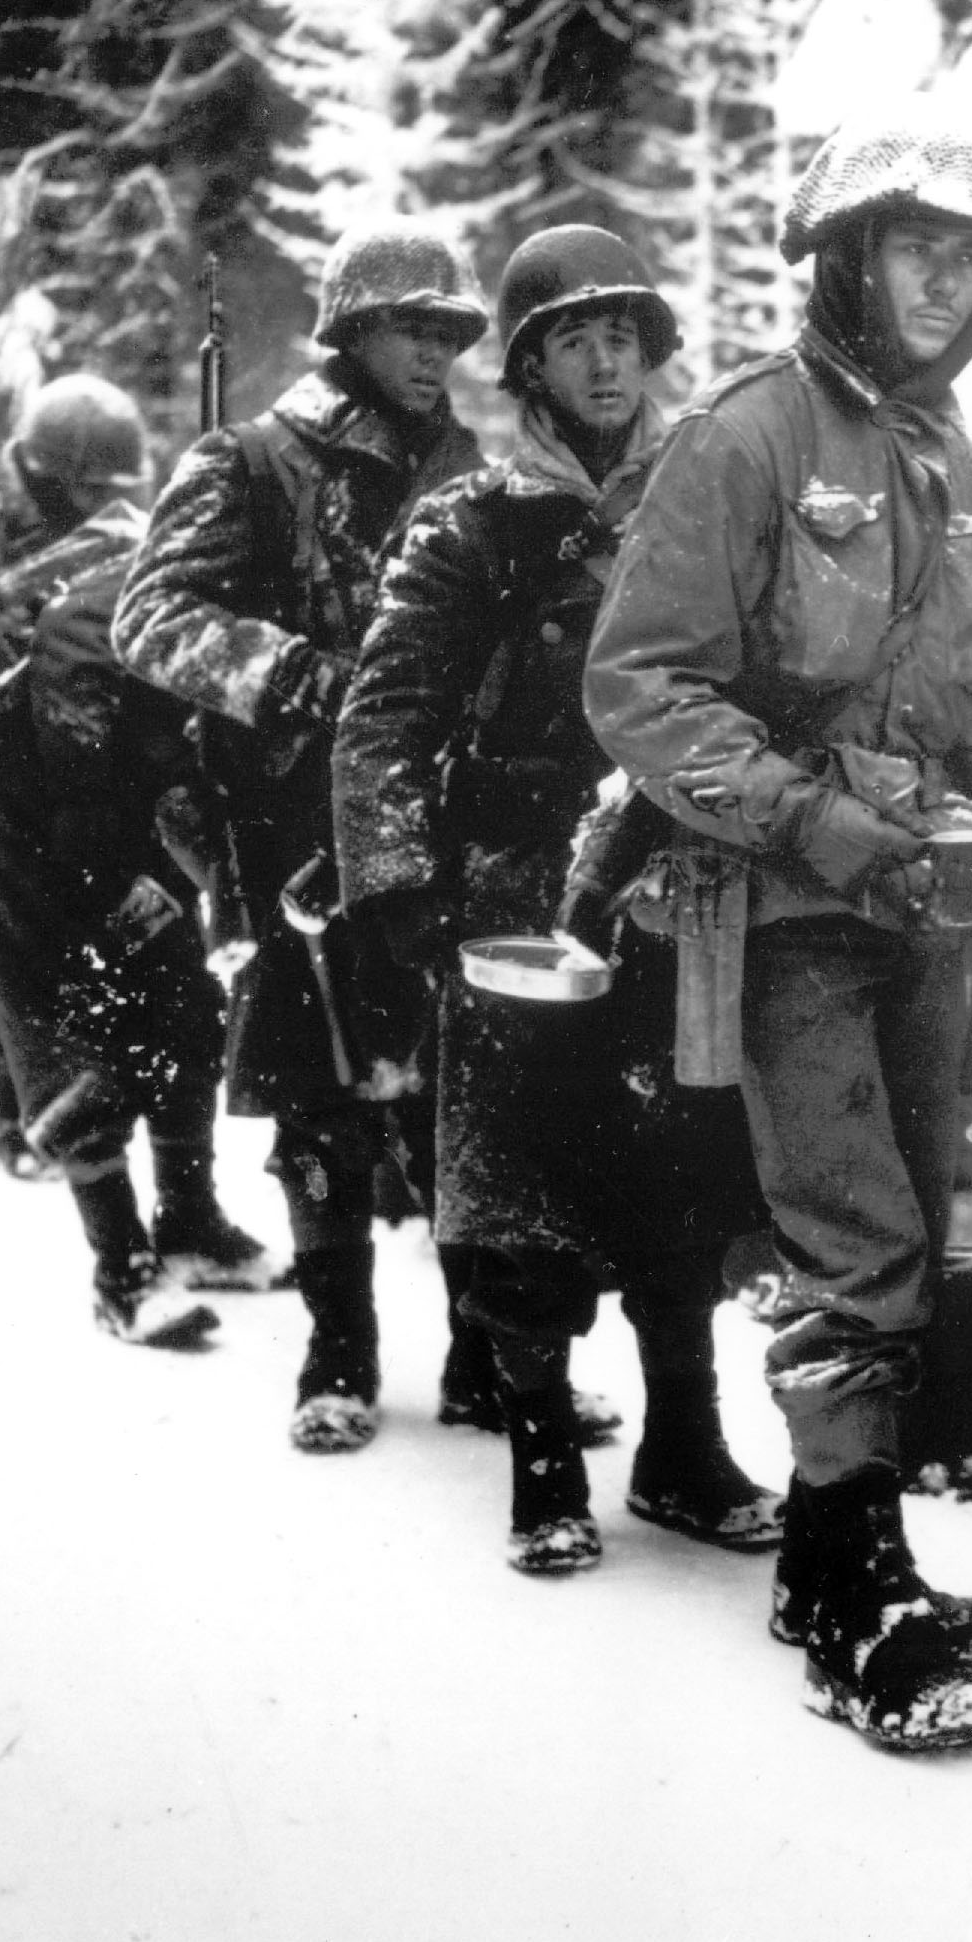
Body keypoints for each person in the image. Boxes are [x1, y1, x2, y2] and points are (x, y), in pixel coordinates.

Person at [586, 114, 972, 1751]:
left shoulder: (946, 451)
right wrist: (805, 813)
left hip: (926, 893)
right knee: (849, 1235)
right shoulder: (743, 438)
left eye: (970, 260)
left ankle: (825, 1546)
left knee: (918, 1223)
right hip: (785, 895)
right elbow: (641, 682)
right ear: (842, 257)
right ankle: (857, 1586)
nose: (941, 284)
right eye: (914, 249)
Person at [333, 226, 780, 1576]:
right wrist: (400, 884)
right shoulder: (468, 521)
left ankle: (685, 1448)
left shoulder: (706, 498)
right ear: (526, 369)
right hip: (519, 894)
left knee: (682, 1170)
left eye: (624, 334)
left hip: (679, 880)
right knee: (519, 1180)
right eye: (572, 338)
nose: (605, 358)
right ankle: (540, 1460)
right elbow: (386, 713)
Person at [115, 226, 494, 1455]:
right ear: (351, 332)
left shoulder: (475, 470)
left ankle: (490, 1360)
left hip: (447, 830)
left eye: (449, 332)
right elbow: (151, 618)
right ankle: (338, 1354)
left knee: (464, 1099)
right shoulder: (252, 462)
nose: (434, 353)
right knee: (325, 1105)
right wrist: (305, 681)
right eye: (412, 329)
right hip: (296, 834)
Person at [0, 378, 266, 1339]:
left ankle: (190, 1220)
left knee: (180, 1004)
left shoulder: (153, 546)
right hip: (18, 816)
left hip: (119, 803)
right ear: (35, 467)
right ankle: (121, 1269)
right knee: (59, 1026)